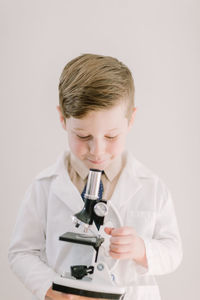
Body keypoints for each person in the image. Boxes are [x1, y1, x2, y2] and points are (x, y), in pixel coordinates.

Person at [8, 53, 182, 300]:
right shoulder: (44, 187)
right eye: (82, 136)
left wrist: (142, 249)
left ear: (131, 119)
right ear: (62, 118)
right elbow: (21, 253)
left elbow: (173, 251)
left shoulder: (152, 187)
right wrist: (53, 290)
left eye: (111, 137)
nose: (97, 151)